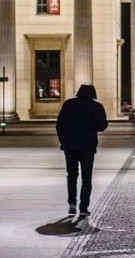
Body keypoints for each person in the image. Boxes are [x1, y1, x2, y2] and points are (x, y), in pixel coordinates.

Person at [56, 84, 108, 216]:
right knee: (86, 178)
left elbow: (59, 124)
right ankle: (83, 208)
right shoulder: (97, 106)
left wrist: (63, 140)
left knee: (72, 175)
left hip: (70, 145)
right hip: (87, 146)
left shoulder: (69, 104)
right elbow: (102, 126)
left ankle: (72, 203)